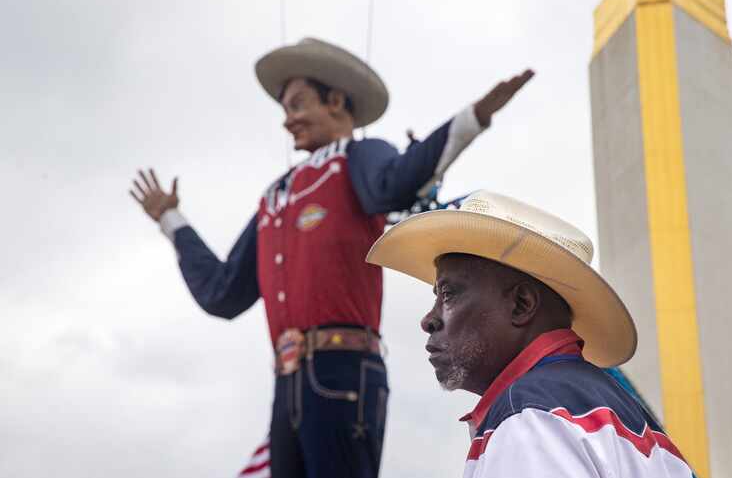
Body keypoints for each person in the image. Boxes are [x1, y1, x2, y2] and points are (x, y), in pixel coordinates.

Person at [129, 38, 533, 478]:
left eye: (298, 104)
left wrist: (471, 120)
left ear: (337, 101)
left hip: (342, 373)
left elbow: (394, 185)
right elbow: (223, 292)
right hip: (288, 381)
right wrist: (171, 219)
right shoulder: (274, 198)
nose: (288, 120)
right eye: (284, 110)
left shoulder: (357, 156)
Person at [366, 190, 696, 477]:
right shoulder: (615, 410)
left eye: (448, 295)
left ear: (522, 304)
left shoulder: (531, 415)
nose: (429, 319)